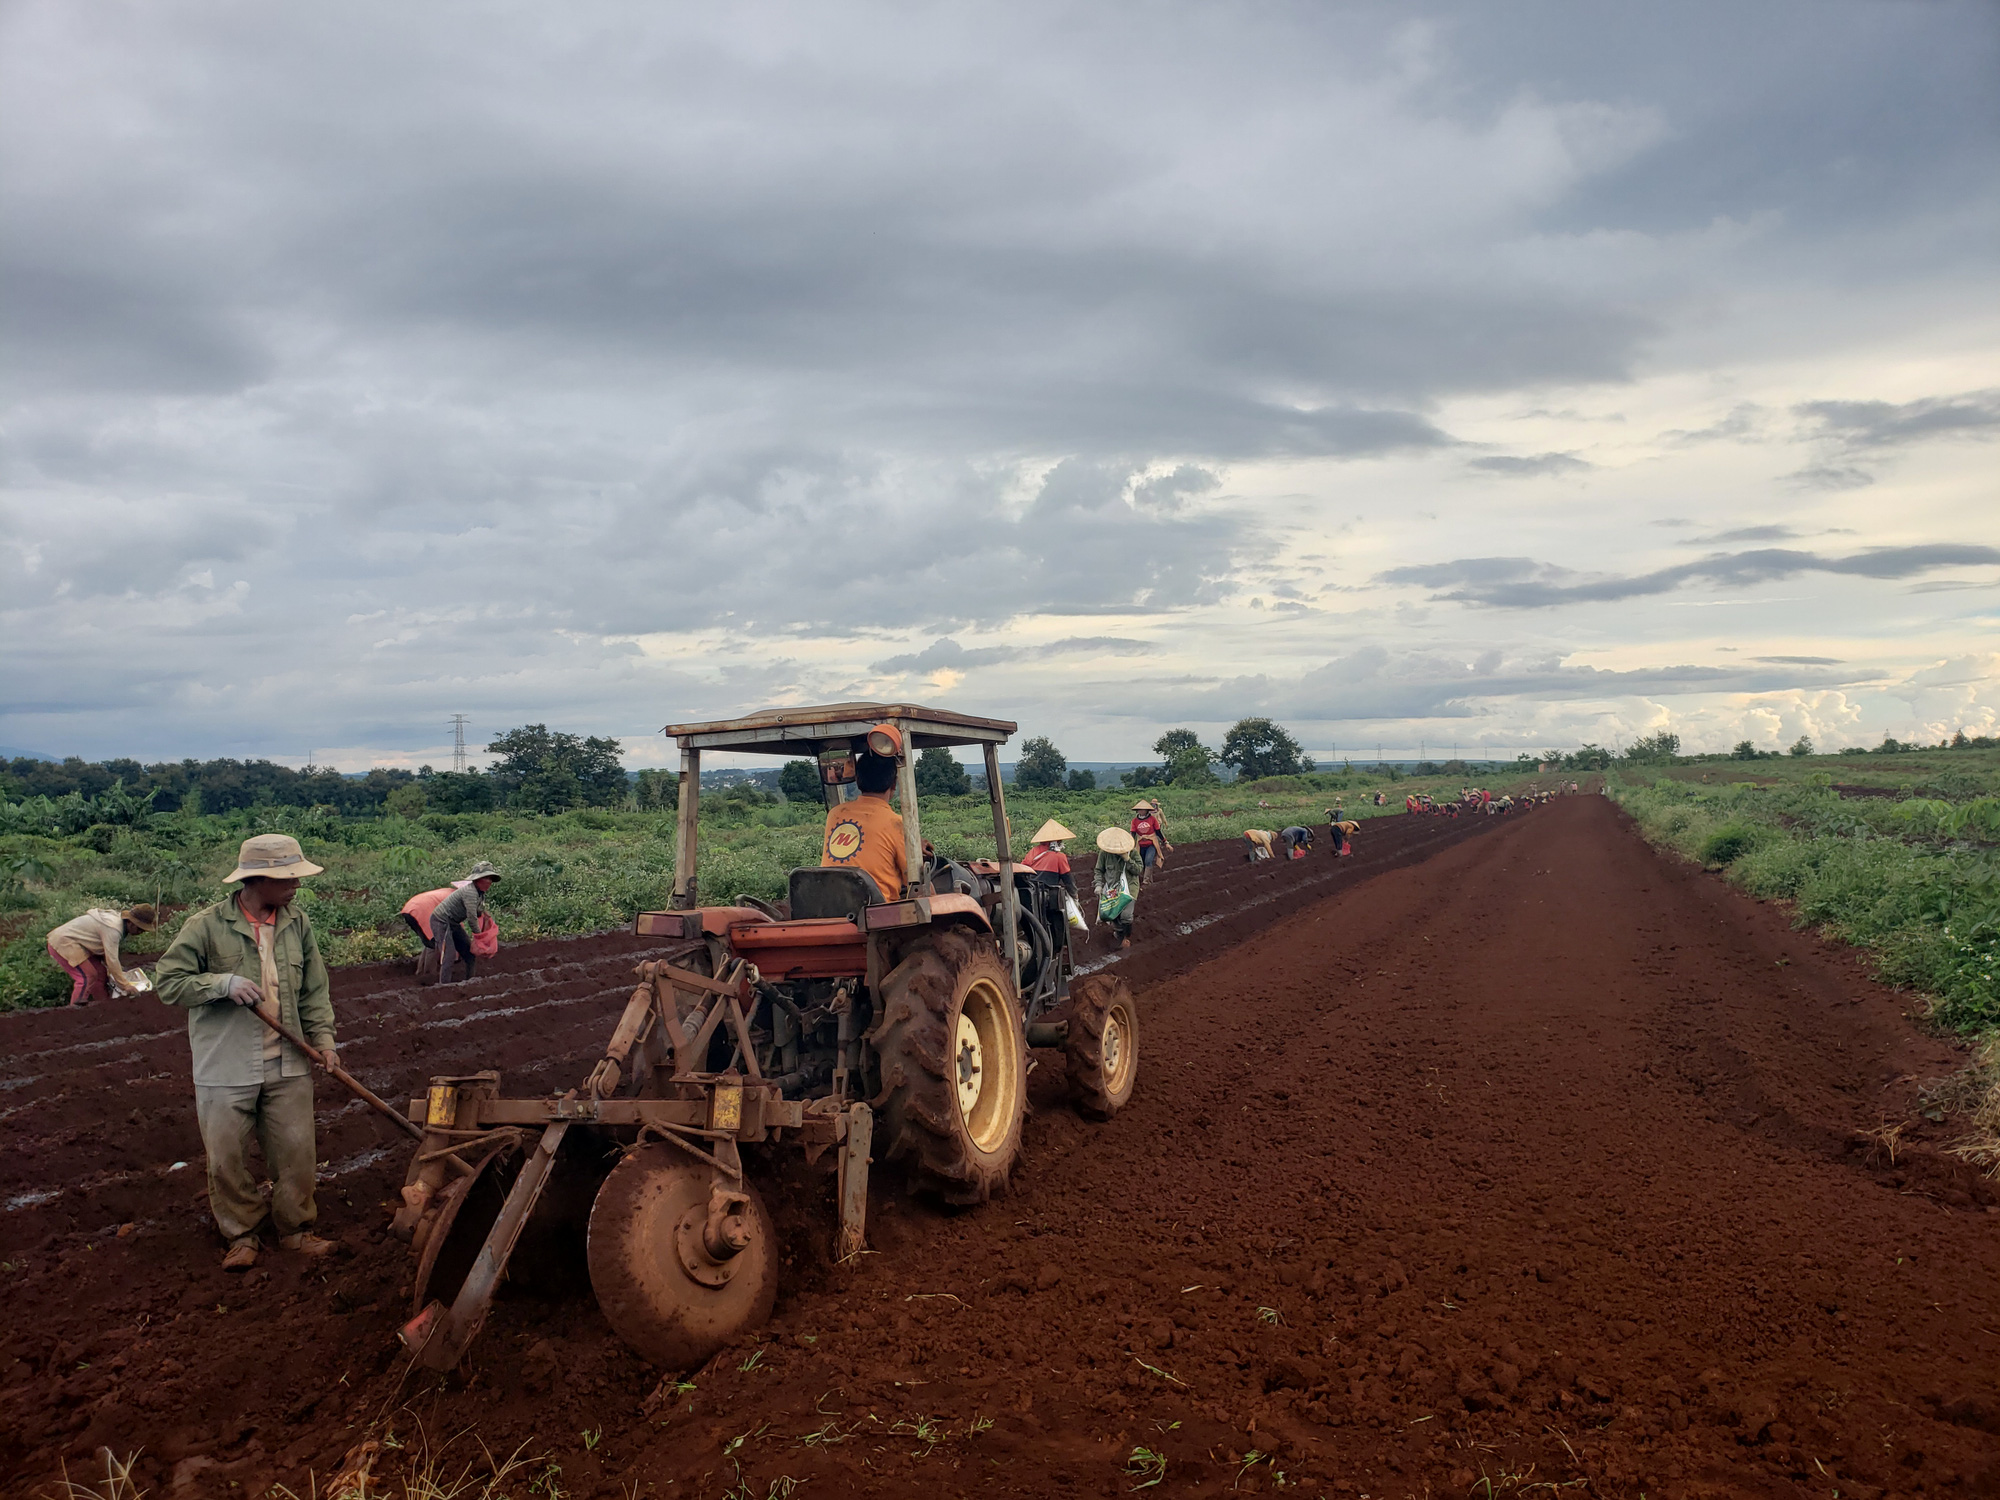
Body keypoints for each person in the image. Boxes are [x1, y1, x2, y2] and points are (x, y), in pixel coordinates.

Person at [154, 834, 338, 1271]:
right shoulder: (206, 926)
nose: (296, 885)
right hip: (226, 1063)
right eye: (288, 877)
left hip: (289, 1059)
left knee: (296, 1152)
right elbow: (168, 982)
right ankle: (242, 1235)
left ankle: (296, 1230)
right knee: (226, 1159)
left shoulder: (298, 924)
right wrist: (221, 984)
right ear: (259, 879)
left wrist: (324, 1041)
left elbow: (315, 990)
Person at [821, 724, 908, 899]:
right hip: (877, 910)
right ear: (894, 784)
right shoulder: (895, 822)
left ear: (858, 781)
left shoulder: (836, 814)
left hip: (830, 904)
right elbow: (912, 876)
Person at [46, 904, 159, 1007]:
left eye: (143, 930)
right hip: (64, 942)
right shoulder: (114, 929)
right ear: (130, 922)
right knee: (87, 976)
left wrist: (116, 973)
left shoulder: (117, 924)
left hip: (80, 944)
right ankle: (74, 1012)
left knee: (100, 974)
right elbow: (112, 959)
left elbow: (105, 954)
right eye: (139, 928)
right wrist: (125, 985)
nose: (140, 932)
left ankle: (104, 1007)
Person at [427, 862, 502, 984]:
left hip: (453, 923)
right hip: (441, 921)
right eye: (485, 878)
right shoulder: (470, 892)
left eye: (490, 879)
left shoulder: (480, 894)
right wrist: (479, 937)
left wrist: (486, 920)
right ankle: (443, 987)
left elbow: (478, 913)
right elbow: (472, 917)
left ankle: (469, 983)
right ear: (478, 879)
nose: (489, 882)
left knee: (469, 954)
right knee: (449, 956)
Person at [1092, 828, 1143, 949]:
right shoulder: (1104, 854)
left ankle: (1125, 938)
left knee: (1126, 915)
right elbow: (1099, 870)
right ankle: (1119, 933)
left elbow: (1138, 870)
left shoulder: (1133, 853)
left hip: (1129, 888)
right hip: (1112, 888)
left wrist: (1127, 859)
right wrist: (1098, 885)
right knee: (1111, 915)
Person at [1021, 819, 1079, 897]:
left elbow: (1022, 869)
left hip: (1031, 892)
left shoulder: (1033, 851)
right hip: (1048, 895)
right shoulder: (1060, 857)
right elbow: (1068, 879)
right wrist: (1075, 895)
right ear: (1055, 842)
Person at [1130, 800, 1168, 884]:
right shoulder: (1134, 821)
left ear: (1147, 810)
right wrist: (1129, 844)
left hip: (1151, 844)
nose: (1141, 811)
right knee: (1142, 862)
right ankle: (1149, 881)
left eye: (1143, 810)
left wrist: (1165, 842)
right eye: (1139, 810)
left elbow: (1158, 832)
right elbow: (1132, 833)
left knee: (1148, 861)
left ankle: (1146, 880)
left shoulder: (1152, 819)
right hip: (1140, 845)